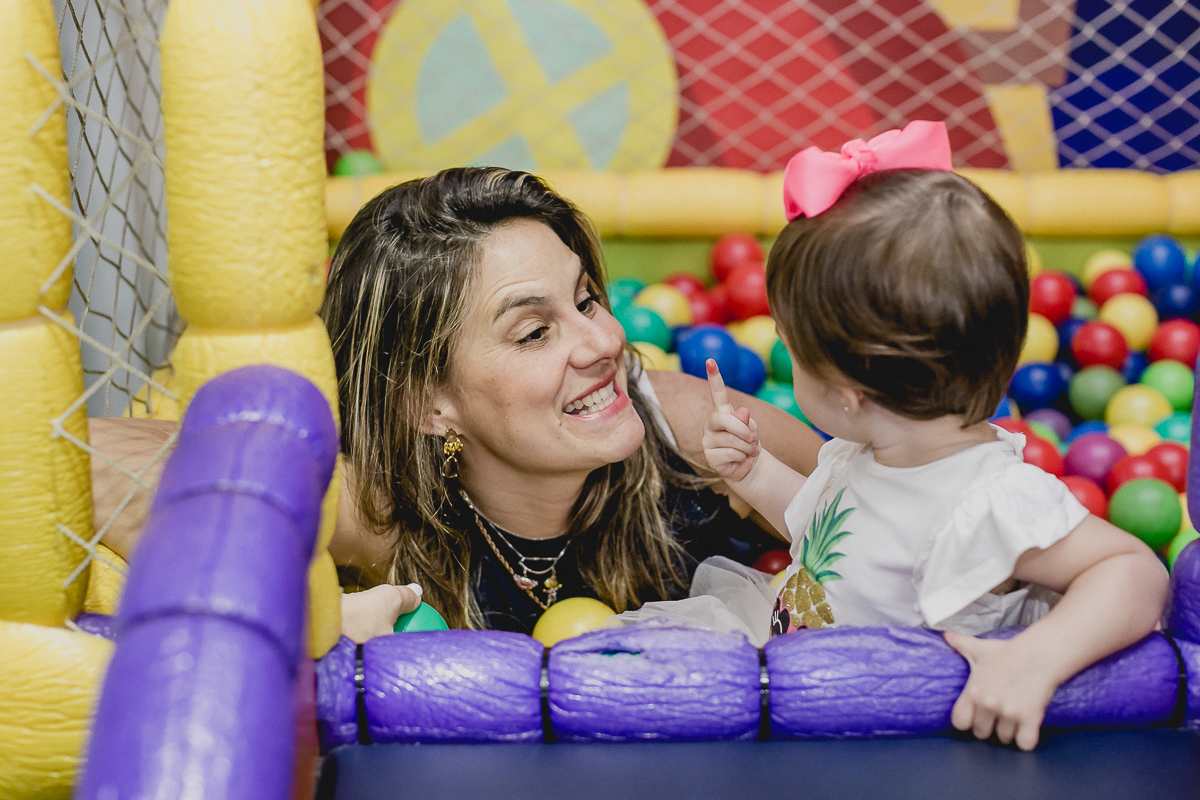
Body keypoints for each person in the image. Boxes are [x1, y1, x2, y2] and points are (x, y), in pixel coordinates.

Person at [701, 127, 1168, 752]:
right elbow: (836, 540)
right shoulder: (870, 452)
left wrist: (1037, 658)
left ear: (849, 392)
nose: (782, 351)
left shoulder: (986, 501)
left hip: (891, 738)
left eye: (790, 346)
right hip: (798, 683)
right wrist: (754, 473)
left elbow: (1133, 569)